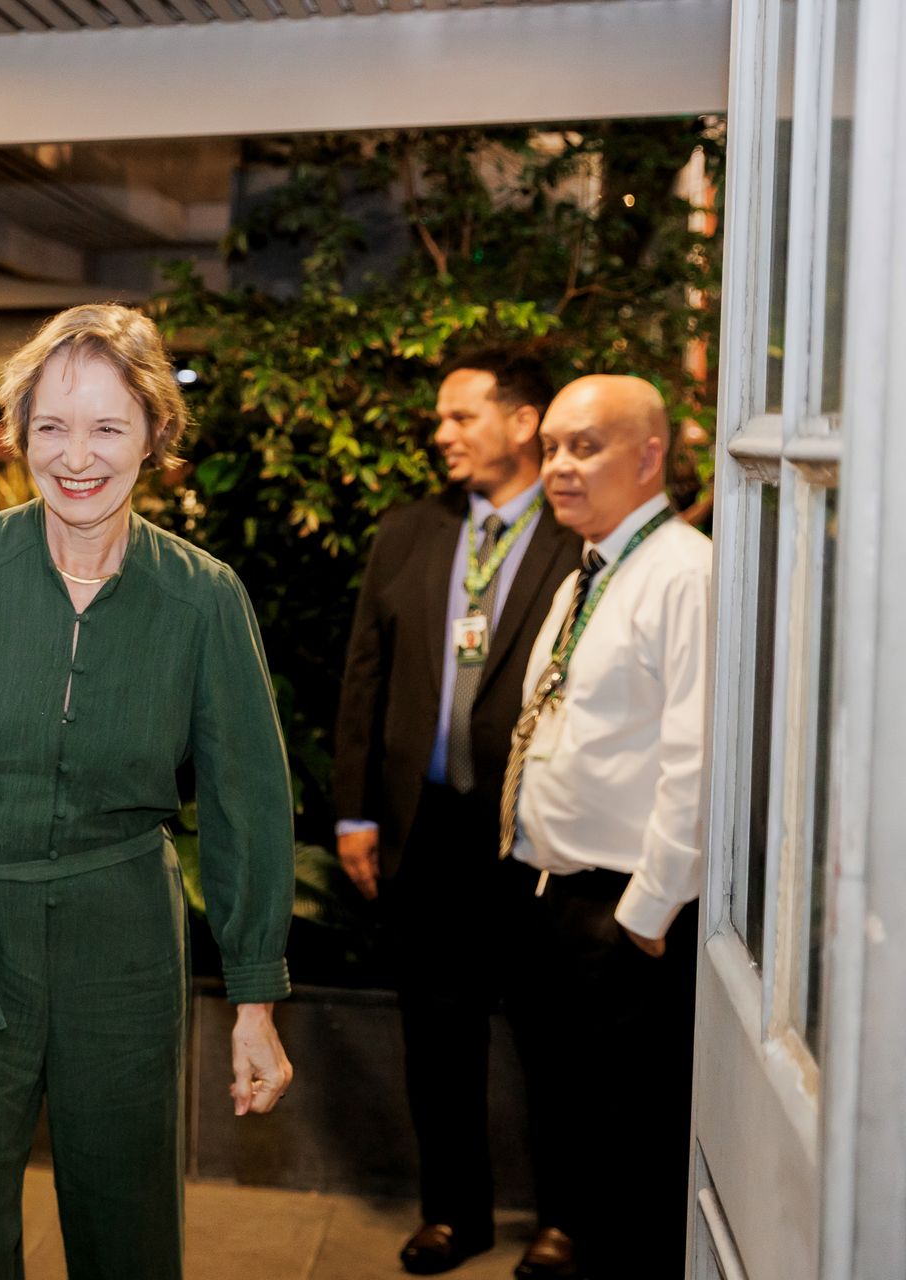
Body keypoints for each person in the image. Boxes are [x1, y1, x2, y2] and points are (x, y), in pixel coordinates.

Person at [0, 304, 296, 1280]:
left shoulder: (204, 598)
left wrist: (255, 995)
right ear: (18, 432)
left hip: (122, 939)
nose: (77, 456)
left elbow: (249, 799)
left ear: (155, 434)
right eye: (52, 427)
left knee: (126, 1213)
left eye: (108, 427)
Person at [333, 351, 582, 1277]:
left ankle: (565, 1220)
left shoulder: (573, 536)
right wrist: (354, 813)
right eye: (440, 420)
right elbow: (365, 674)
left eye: (461, 416)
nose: (441, 434)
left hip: (534, 833)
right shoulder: (408, 532)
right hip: (425, 826)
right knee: (437, 1033)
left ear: (523, 422)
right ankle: (454, 1215)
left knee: (553, 1033)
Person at [502, 374, 711, 1280]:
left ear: (650, 456)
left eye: (583, 447)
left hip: (626, 911)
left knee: (635, 1141)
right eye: (551, 447)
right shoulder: (589, 568)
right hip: (553, 892)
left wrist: (647, 912)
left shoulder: (684, 572)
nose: (559, 467)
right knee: (571, 1110)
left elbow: (697, 758)